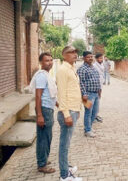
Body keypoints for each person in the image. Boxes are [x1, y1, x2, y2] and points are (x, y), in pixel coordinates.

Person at [56, 46, 82, 181]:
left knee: (67, 143)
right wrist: (66, 114)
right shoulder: (62, 70)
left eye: (75, 51)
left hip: (73, 110)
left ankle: (66, 167)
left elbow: (73, 91)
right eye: (71, 52)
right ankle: (64, 175)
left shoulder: (71, 69)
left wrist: (78, 110)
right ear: (63, 55)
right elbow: (61, 93)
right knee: (64, 145)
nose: (74, 54)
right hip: (68, 112)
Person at [28, 52, 58, 174]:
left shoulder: (47, 75)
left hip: (48, 108)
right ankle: (42, 165)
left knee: (47, 136)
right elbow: (38, 96)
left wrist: (57, 104)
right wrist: (39, 115)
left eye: (51, 60)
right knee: (43, 138)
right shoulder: (41, 76)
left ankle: (43, 159)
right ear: (41, 62)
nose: (49, 62)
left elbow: (49, 94)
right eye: (46, 60)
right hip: (44, 109)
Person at [77, 51, 101, 138]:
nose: (90, 58)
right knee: (88, 112)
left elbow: (97, 79)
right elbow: (81, 83)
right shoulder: (82, 69)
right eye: (88, 57)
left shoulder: (93, 67)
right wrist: (84, 94)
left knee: (95, 113)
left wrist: (99, 91)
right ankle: (87, 130)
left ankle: (89, 127)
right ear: (84, 58)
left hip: (95, 94)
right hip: (88, 94)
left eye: (91, 56)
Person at [93, 53, 105, 123]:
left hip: (100, 85)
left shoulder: (101, 65)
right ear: (96, 59)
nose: (101, 59)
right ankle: (93, 116)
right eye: (100, 58)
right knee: (94, 102)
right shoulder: (94, 66)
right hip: (96, 86)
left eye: (102, 58)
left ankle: (96, 115)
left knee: (97, 101)